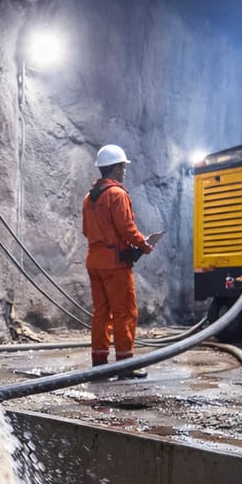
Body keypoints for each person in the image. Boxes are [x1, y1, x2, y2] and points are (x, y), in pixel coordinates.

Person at [82, 144, 164, 377]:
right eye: (123, 166)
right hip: (115, 264)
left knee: (101, 313)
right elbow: (127, 228)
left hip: (94, 260)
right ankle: (125, 366)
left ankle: (99, 364)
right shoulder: (117, 194)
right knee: (124, 313)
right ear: (117, 168)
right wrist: (144, 244)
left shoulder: (89, 198)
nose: (124, 171)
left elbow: (87, 231)